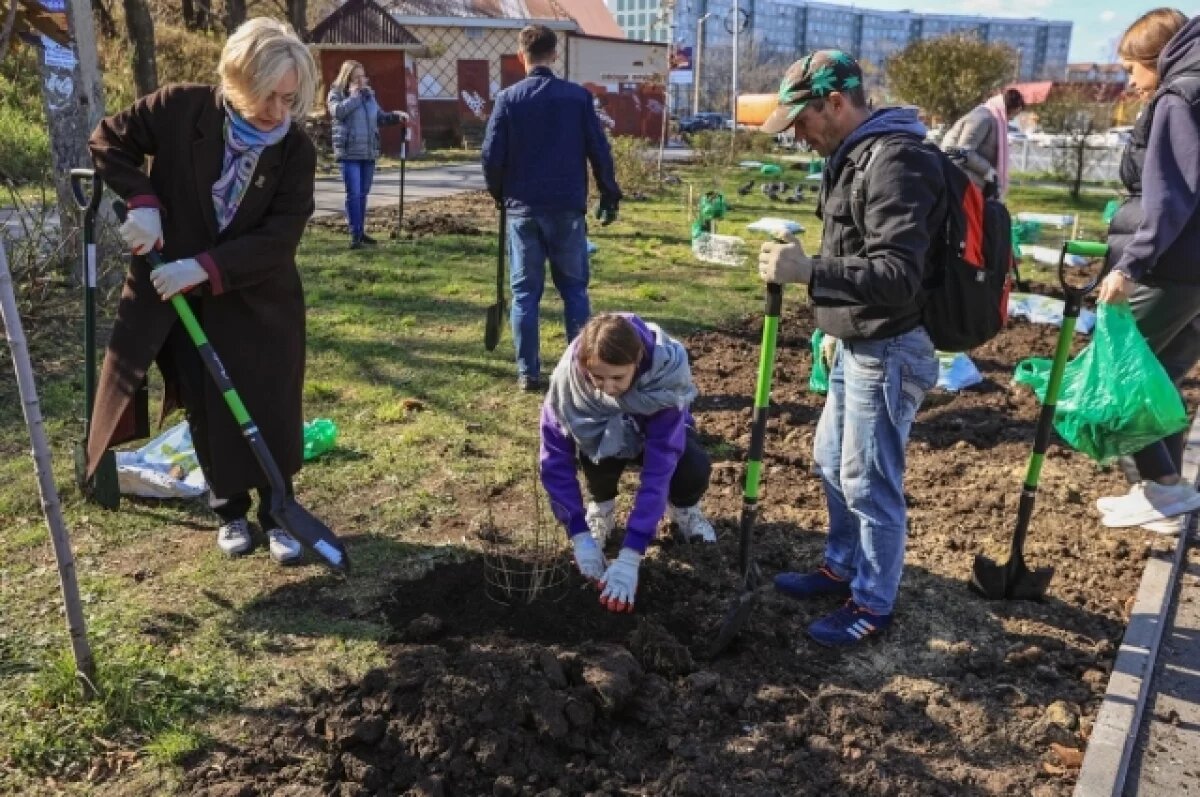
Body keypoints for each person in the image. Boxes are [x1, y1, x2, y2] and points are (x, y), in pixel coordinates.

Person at [86, 18, 319, 565]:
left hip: (257, 298)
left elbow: (279, 238)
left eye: (290, 99)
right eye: (268, 96)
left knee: (269, 403)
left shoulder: (295, 152)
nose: (278, 113)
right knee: (205, 404)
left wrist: (204, 266)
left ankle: (276, 511)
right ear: (239, 78)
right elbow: (109, 139)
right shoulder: (182, 109)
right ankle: (230, 511)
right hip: (176, 298)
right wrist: (141, 200)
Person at [755, 50, 942, 646]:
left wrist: (807, 271)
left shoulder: (898, 163)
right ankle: (842, 564)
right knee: (830, 461)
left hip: (889, 349)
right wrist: (830, 326)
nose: (798, 137)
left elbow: (896, 275)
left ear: (835, 103)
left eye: (801, 122)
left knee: (869, 481)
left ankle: (872, 603)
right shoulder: (851, 156)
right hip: (856, 340)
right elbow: (856, 251)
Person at [1095, 9, 1200, 532]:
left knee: (1119, 364)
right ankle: (1163, 497)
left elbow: (1171, 196)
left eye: (1133, 70)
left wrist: (1130, 265)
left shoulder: (1179, 98)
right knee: (1160, 374)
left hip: (1172, 266)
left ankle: (1162, 486)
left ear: (1157, 59)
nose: (1131, 83)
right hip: (1193, 268)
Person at [540, 313, 716, 613]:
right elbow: (554, 460)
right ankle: (601, 508)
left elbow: (658, 472)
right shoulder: (567, 384)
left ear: (638, 359)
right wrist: (578, 533)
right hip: (606, 434)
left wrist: (631, 553)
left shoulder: (663, 377)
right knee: (595, 440)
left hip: (656, 436)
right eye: (597, 377)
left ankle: (684, 509)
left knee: (691, 467)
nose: (608, 388)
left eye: (617, 377)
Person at [482, 24, 622, 393]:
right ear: (554, 55)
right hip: (566, 208)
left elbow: (490, 156)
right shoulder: (577, 98)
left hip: (522, 209)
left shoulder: (508, 100)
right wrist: (609, 192)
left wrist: (499, 193)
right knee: (574, 290)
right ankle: (579, 371)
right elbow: (599, 149)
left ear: (520, 56)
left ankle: (529, 373)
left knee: (525, 294)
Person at [327, 60, 409, 249]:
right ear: (348, 78)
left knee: (363, 194)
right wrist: (354, 97)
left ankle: (361, 232)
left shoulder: (369, 96)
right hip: (349, 152)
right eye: (358, 77)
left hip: (368, 152)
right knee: (354, 193)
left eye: (363, 76)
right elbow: (337, 112)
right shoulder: (336, 94)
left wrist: (395, 116)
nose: (363, 80)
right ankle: (354, 235)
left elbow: (378, 117)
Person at [940, 87, 1025, 197]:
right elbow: (964, 151)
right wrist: (988, 171)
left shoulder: (994, 119)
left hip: (972, 181)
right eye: (1013, 116)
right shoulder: (983, 118)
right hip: (961, 181)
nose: (1010, 120)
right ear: (1009, 109)